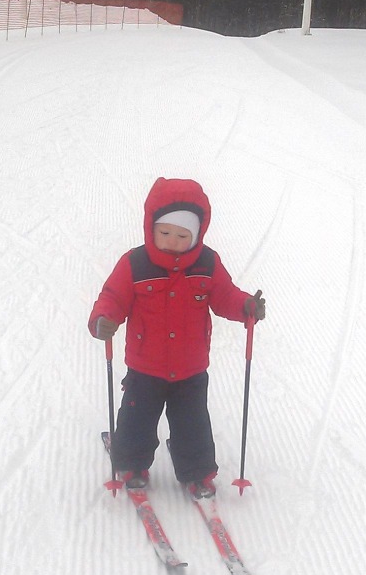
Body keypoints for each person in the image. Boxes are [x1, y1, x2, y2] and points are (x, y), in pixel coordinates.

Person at [89, 177, 265, 497]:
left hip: (191, 367)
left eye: (183, 236)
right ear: (151, 228)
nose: (173, 241)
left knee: (192, 424)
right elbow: (112, 297)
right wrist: (103, 319)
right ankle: (132, 463)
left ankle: (197, 472)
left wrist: (246, 307)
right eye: (165, 233)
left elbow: (225, 295)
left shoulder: (207, 263)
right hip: (145, 366)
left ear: (197, 235)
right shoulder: (135, 264)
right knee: (137, 420)